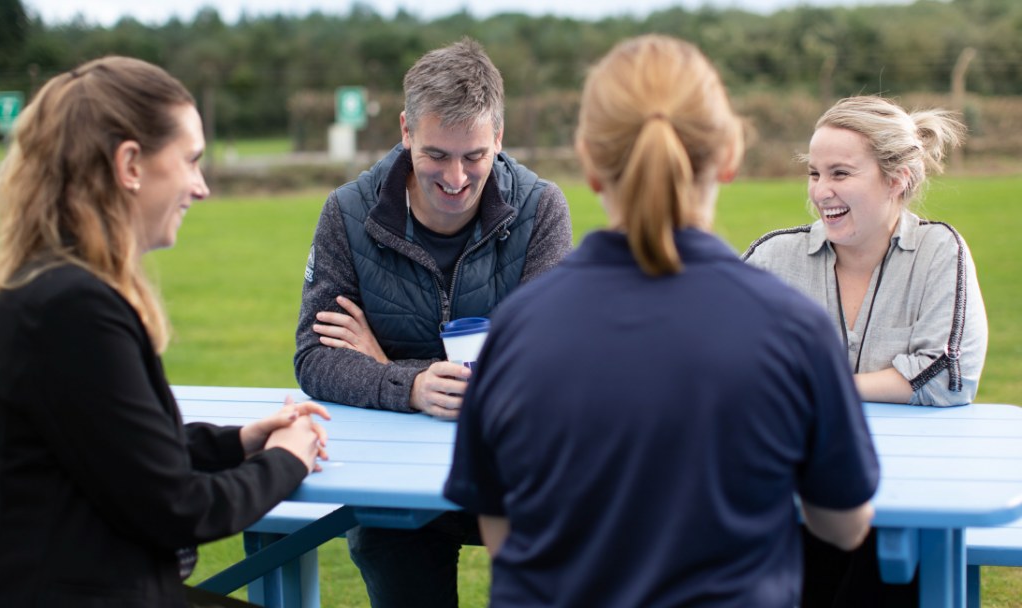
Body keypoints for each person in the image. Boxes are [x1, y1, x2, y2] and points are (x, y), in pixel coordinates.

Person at [443, 35, 879, 608]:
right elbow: (844, 524)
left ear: (590, 160)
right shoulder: (792, 329)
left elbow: (499, 529)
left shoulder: (518, 329)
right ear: (730, 152)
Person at [0, 56, 329, 608]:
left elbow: (118, 449)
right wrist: (287, 459)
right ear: (130, 164)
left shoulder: (48, 287)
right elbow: (177, 507)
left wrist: (238, 442)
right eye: (191, 160)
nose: (201, 187)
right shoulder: (73, 307)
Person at [293, 38, 572, 607]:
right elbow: (314, 357)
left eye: (474, 156)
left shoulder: (542, 208)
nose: (456, 177)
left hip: (516, 473)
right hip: (392, 482)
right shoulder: (347, 212)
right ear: (406, 130)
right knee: (393, 554)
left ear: (499, 136)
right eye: (437, 155)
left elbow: (549, 368)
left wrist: (387, 367)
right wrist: (412, 386)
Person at [742, 97, 988, 605]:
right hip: (791, 495)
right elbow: (721, 364)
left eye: (840, 173)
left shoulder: (940, 252)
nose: (820, 191)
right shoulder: (772, 258)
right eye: (814, 173)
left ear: (897, 179)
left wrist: (820, 387)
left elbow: (948, 375)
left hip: (913, 496)